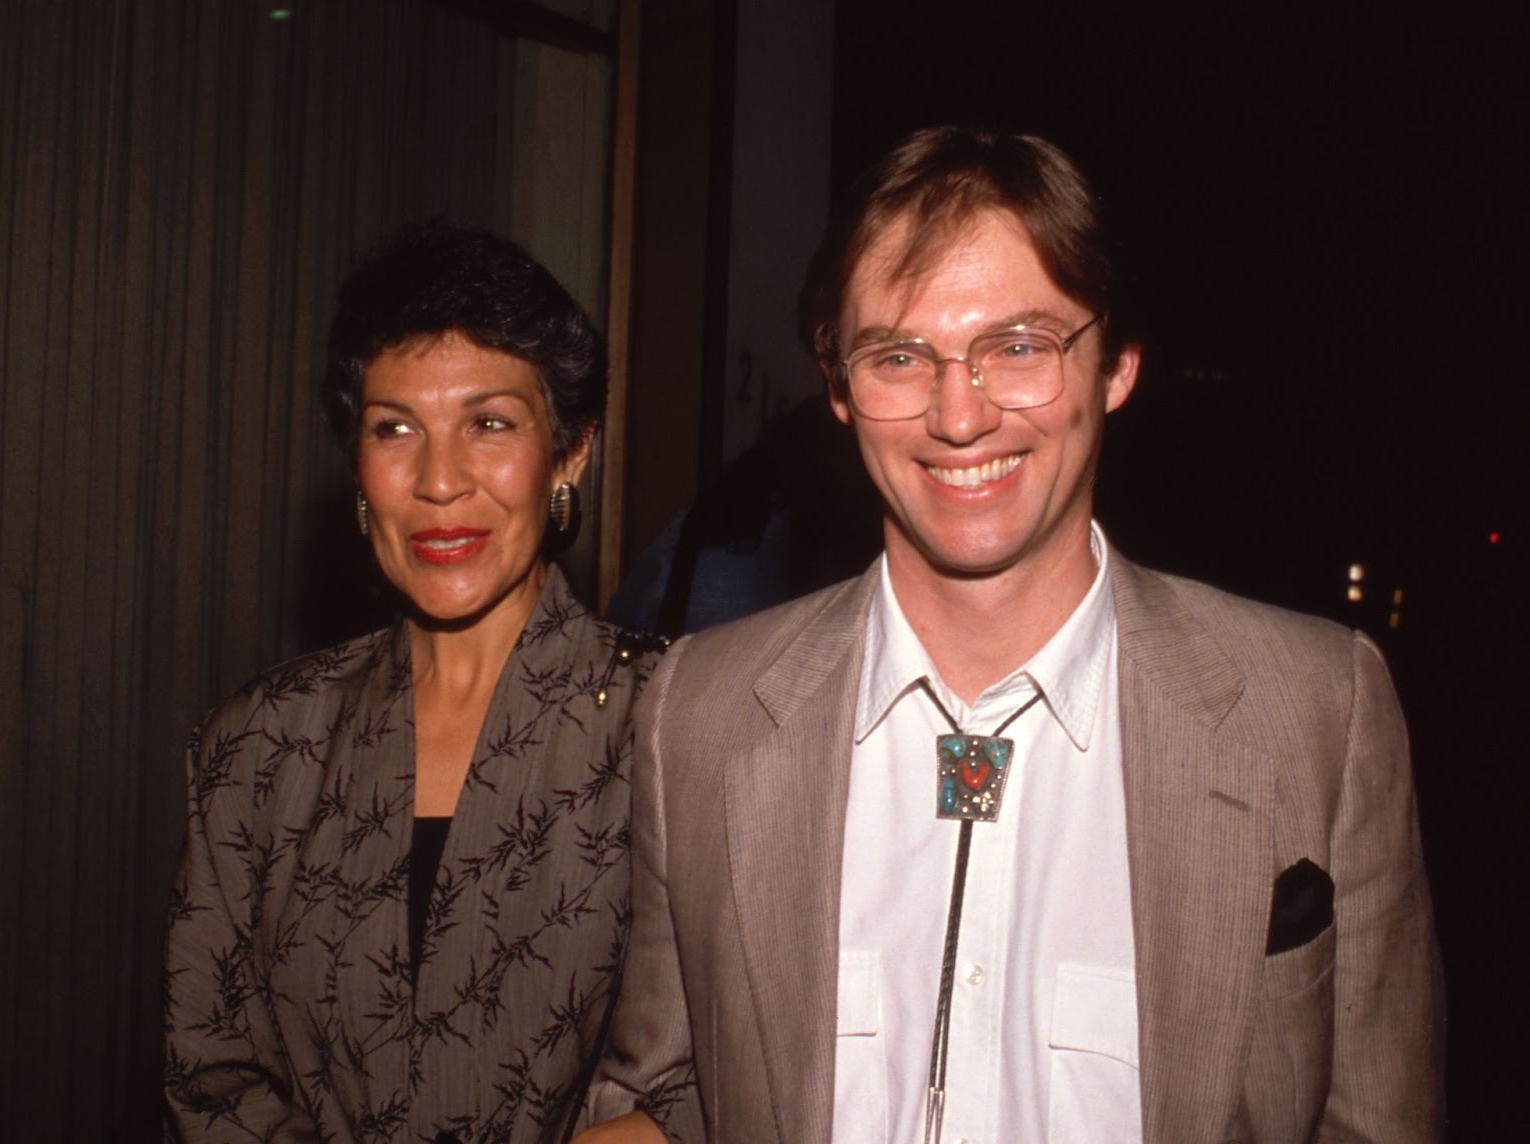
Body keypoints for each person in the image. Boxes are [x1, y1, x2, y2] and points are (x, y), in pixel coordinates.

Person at [579, 128, 1442, 1142]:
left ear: (1115, 364)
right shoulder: (698, 712)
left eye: (1019, 347)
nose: (958, 414)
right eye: (899, 355)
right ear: (841, 390)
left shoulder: (1318, 711)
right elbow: (652, 1090)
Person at [164, 222, 663, 1142]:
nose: (440, 482)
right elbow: (211, 1080)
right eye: (396, 429)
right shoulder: (259, 746)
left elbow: (714, 1078)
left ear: (571, 451)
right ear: (358, 468)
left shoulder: (673, 725)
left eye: (489, 424)